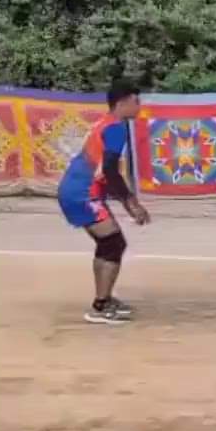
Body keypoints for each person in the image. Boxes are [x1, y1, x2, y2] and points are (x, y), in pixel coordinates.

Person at [57, 82, 151, 325]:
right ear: (122, 103)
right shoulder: (116, 128)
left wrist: (128, 202)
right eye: (136, 101)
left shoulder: (107, 122)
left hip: (82, 190)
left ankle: (104, 300)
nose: (139, 106)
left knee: (108, 243)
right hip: (82, 193)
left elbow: (105, 172)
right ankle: (100, 306)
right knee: (113, 243)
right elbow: (109, 170)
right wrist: (131, 203)